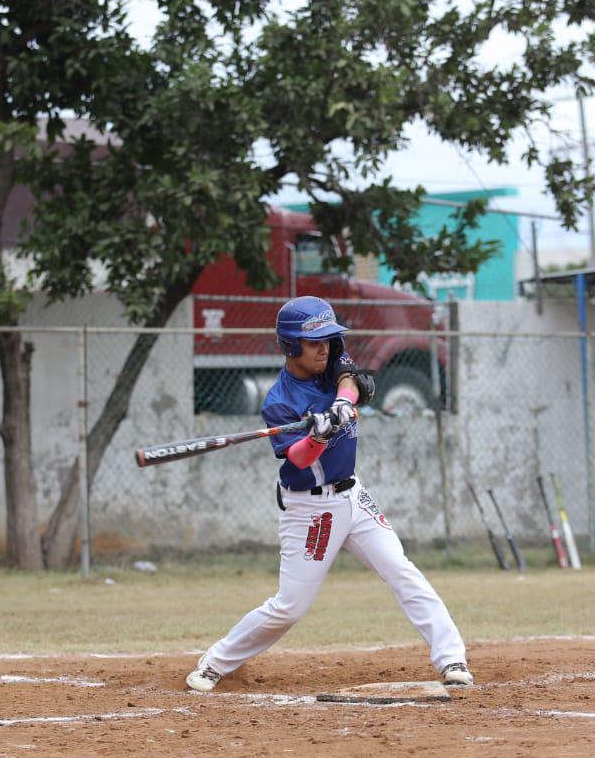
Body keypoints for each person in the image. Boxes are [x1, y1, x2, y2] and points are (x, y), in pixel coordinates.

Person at [185, 296, 473, 692]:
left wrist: (341, 403)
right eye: (314, 341)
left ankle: (451, 658)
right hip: (311, 509)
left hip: (353, 496)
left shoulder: (332, 358)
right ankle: (214, 662)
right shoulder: (280, 403)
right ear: (290, 346)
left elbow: (351, 379)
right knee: (289, 608)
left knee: (402, 571)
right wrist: (318, 435)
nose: (325, 347)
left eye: (328, 339)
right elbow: (300, 460)